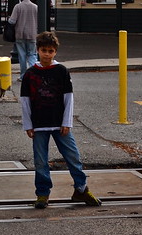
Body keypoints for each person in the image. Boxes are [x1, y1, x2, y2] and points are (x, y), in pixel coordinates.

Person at [20, 31, 101, 209]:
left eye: (50, 51)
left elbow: (68, 98)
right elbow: (25, 101)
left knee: (73, 156)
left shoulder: (61, 71)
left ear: (55, 52)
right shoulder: (30, 74)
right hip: (39, 124)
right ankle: (42, 194)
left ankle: (81, 188)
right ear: (38, 51)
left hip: (59, 123)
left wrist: (67, 122)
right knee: (40, 160)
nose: (47, 54)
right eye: (43, 50)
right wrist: (28, 125)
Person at [8, 0, 38, 75]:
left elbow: (12, 21)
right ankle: (34, 73)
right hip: (32, 34)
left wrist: (9, 18)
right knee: (32, 55)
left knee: (22, 56)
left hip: (20, 34)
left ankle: (23, 75)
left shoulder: (18, 7)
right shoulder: (35, 7)